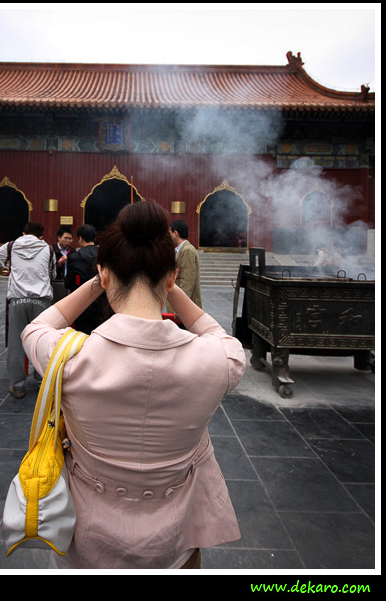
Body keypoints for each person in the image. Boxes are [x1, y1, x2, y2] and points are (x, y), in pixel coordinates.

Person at [23, 201, 245, 569]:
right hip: (176, 539)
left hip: (89, 537)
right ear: (171, 276)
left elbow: (36, 327)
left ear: (106, 275)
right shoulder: (217, 361)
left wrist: (100, 281)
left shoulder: (70, 358)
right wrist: (167, 285)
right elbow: (218, 333)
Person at [0, 222, 56, 398]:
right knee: (42, 342)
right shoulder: (48, 249)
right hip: (42, 301)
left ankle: (18, 386)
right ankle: (41, 382)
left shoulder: (12, 245)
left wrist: (2, 269)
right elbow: (52, 274)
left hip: (18, 301)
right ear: (41, 236)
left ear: (23, 233)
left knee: (17, 343)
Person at [65, 224, 110, 334]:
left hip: (82, 306)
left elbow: (69, 283)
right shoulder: (104, 256)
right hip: (104, 306)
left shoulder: (74, 257)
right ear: (95, 238)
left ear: (80, 238)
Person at [167, 220, 202, 320]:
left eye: (170, 233)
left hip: (185, 309)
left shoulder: (187, 250)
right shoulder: (179, 250)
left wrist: (181, 308)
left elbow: (187, 281)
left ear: (176, 233)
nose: (169, 236)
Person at [52, 227, 74, 303]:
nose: (68, 241)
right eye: (65, 238)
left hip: (68, 281)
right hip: (56, 281)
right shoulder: (52, 250)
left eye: (70, 239)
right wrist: (58, 263)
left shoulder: (71, 251)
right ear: (59, 237)